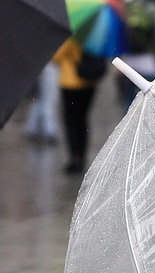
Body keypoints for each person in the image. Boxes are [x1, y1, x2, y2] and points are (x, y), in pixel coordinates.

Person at [53, 38, 98, 174]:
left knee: (71, 121)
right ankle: (81, 155)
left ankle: (74, 157)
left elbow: (56, 57)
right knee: (83, 119)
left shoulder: (70, 35)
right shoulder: (93, 35)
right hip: (89, 82)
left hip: (70, 82)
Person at [23, 61, 60, 145]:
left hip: (45, 65)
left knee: (39, 99)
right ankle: (49, 130)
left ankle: (31, 128)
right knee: (48, 100)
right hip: (50, 65)